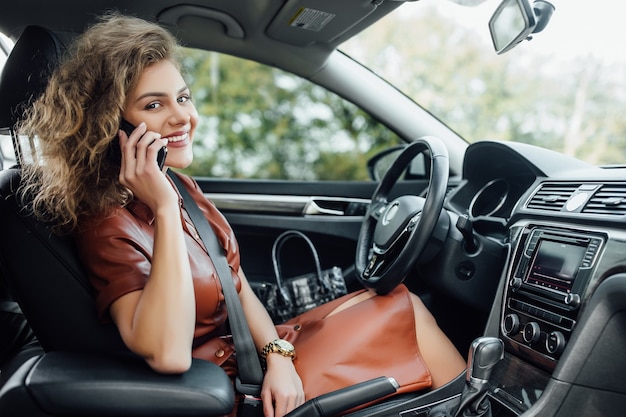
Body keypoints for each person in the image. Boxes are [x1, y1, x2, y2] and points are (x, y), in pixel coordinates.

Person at [19, 13, 466, 417]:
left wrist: (277, 355)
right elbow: (168, 354)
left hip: (256, 356)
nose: (183, 118)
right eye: (154, 106)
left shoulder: (178, 184)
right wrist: (164, 210)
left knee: (396, 299)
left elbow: (234, 283)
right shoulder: (107, 222)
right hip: (225, 388)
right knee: (407, 314)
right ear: (111, 126)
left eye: (183, 97)